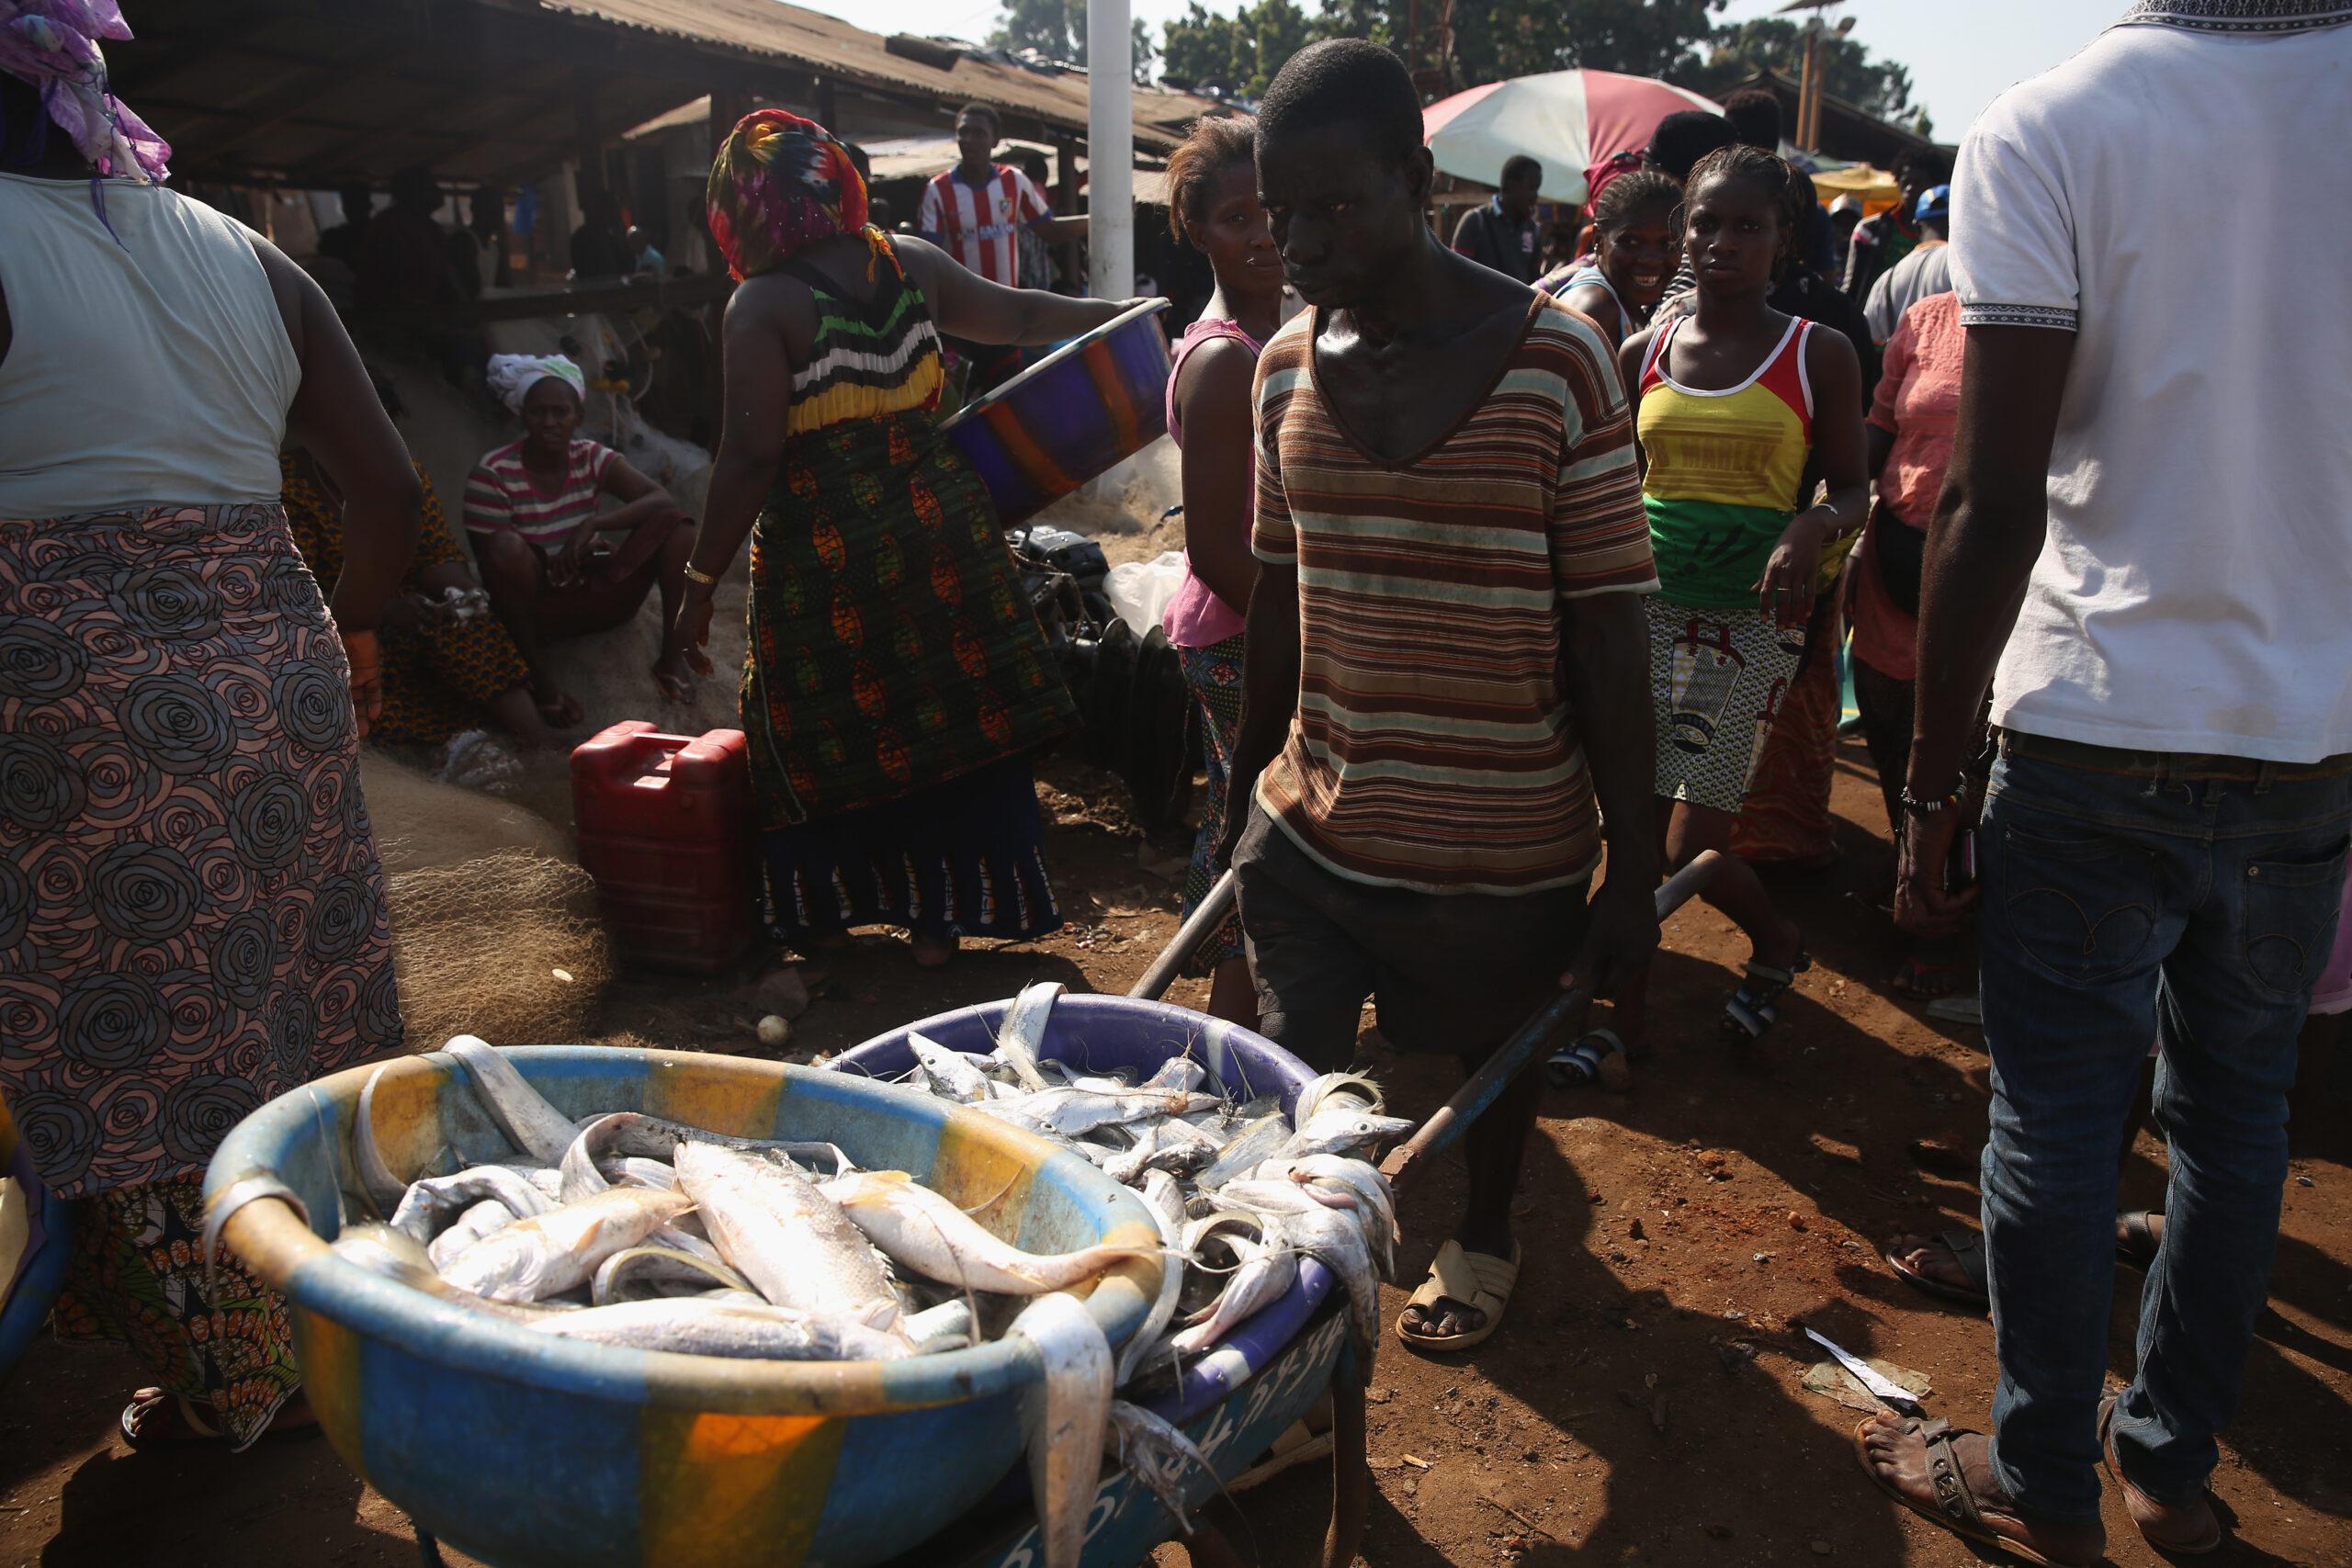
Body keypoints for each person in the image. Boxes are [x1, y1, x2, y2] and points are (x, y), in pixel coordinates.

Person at [1863, 9, 2352, 1565]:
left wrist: (1930, 792)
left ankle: (2037, 1477)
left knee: (2060, 1125)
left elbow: (1994, 496)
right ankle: (2169, 1466)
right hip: (2304, 735)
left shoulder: (2051, 124)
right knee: (2237, 1119)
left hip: (2094, 722)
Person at [1216, 39, 1663, 1351]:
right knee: (1289, 1077)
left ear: (1416, 180)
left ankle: (1485, 1227)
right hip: (1310, 823)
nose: (1298, 239)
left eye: (1333, 205)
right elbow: (1277, 601)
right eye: (1280, 209)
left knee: (1491, 1061)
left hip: (1496, 843)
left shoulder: (1559, 362)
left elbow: (1609, 634)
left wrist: (1631, 868)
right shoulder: (1282, 370)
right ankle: (1288, 1331)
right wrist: (1240, 788)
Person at [0, 36, 413, 1450]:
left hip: (71, 688)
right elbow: (388, 486)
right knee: (291, 995)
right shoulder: (250, 254)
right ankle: (340, 1310)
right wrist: (348, 629)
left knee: (135, 1040)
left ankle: (228, 1380)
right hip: (275, 653)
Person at [677, 110, 1134, 966]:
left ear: (745, 213)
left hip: (827, 558)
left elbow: (748, 456)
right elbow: (1022, 314)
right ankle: (940, 921)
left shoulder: (762, 304)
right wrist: (1122, 314)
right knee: (955, 717)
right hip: (941, 535)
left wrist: (699, 585)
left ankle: (827, 914)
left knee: (815, 725)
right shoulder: (909, 262)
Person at [1564, 145, 1866, 1087]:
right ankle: (1624, 1025)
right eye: (1706, 223)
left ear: (1781, 238)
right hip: (1638, 615)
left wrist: (1810, 526)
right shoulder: (1637, 351)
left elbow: (1857, 490)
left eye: (1747, 225)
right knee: (1627, 833)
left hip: (1745, 628)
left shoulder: (1815, 352)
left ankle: (1775, 937)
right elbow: (1611, 487)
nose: (1721, 242)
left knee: (1690, 848)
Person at [1159, 114, 1283, 1029]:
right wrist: (1307, 642)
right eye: (1235, 216)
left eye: (1271, 208)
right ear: (1197, 231)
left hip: (1272, 621)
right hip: (1244, 633)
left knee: (1270, 826)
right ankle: (1229, 1034)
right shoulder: (1219, 360)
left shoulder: (1283, 326)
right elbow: (1215, 547)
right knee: (1254, 832)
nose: (1262, 231)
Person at [283, 378, 562, 748]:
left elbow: (433, 553)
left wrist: (463, 593)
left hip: (408, 611)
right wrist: (384, 611)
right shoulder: (286, 489)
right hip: (332, 630)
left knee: (467, 623)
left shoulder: (401, 478)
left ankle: (539, 739)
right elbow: (299, 597)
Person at [463, 353, 701, 716]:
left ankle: (672, 657)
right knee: (505, 547)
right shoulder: (493, 473)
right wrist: (550, 564)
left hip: (597, 592)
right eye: (538, 411)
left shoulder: (589, 456)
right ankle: (542, 683)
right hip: (539, 609)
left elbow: (660, 499)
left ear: (578, 417)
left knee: (677, 526)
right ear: (522, 415)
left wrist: (594, 525)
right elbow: (495, 569)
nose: (550, 422)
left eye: (561, 412)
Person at [1848, 290, 1966, 997]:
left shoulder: (2066, 319)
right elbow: (1878, 428)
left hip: (1987, 580)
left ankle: (1946, 930)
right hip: (1894, 564)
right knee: (1890, 730)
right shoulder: (1925, 318)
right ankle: (1912, 886)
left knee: (1960, 753)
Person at [1540, 168, 1679, 348]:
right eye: (1631, 241)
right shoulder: (1596, 308)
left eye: (1666, 242)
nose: (1650, 259)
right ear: (1598, 240)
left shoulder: (1623, 299)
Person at [1841, 144, 1951, 305]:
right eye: (1905, 181)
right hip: (1877, 317)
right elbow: (1851, 285)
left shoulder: (1947, 233)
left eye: (1918, 182)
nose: (1910, 188)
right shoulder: (1869, 229)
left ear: (1934, 186)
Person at [354, 164, 458, 309]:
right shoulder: (390, 225)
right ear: (414, 191)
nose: (438, 192)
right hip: (393, 319)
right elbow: (394, 283)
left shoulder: (431, 228)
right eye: (431, 186)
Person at [1863, 184, 1951, 344]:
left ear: (1916, 225)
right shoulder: (1964, 266)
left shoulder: (1887, 278)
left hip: (1903, 369)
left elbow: (1873, 338)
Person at [1450, 153, 1544, 284]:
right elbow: (1455, 275)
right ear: (1512, 186)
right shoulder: (1476, 221)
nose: (1535, 197)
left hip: (1520, 304)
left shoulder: (1533, 230)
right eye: (1532, 189)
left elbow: (1535, 282)